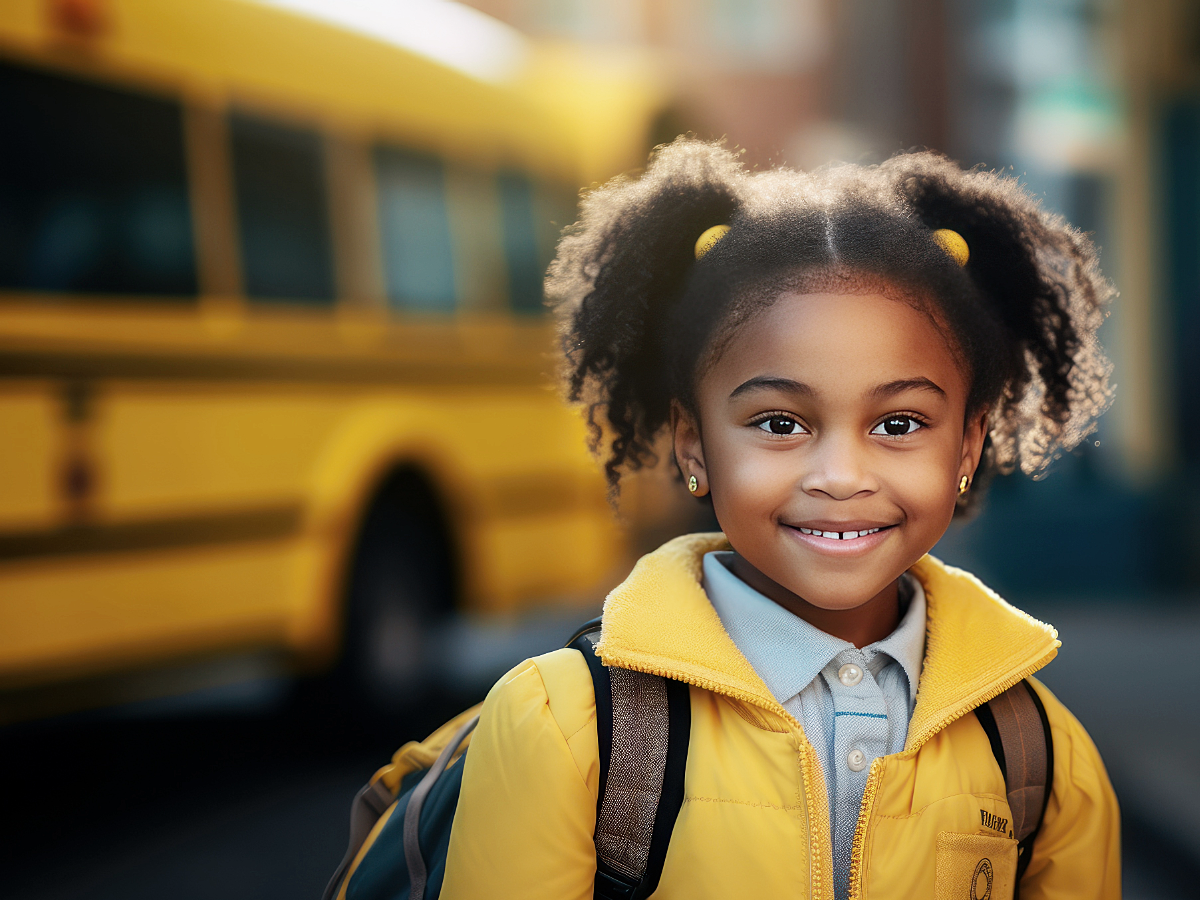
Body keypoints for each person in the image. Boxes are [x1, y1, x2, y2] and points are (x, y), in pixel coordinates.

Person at [439, 138, 1120, 899]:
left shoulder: (1040, 757)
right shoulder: (562, 728)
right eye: (778, 422)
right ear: (693, 440)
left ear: (968, 441)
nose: (840, 477)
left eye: (898, 424)